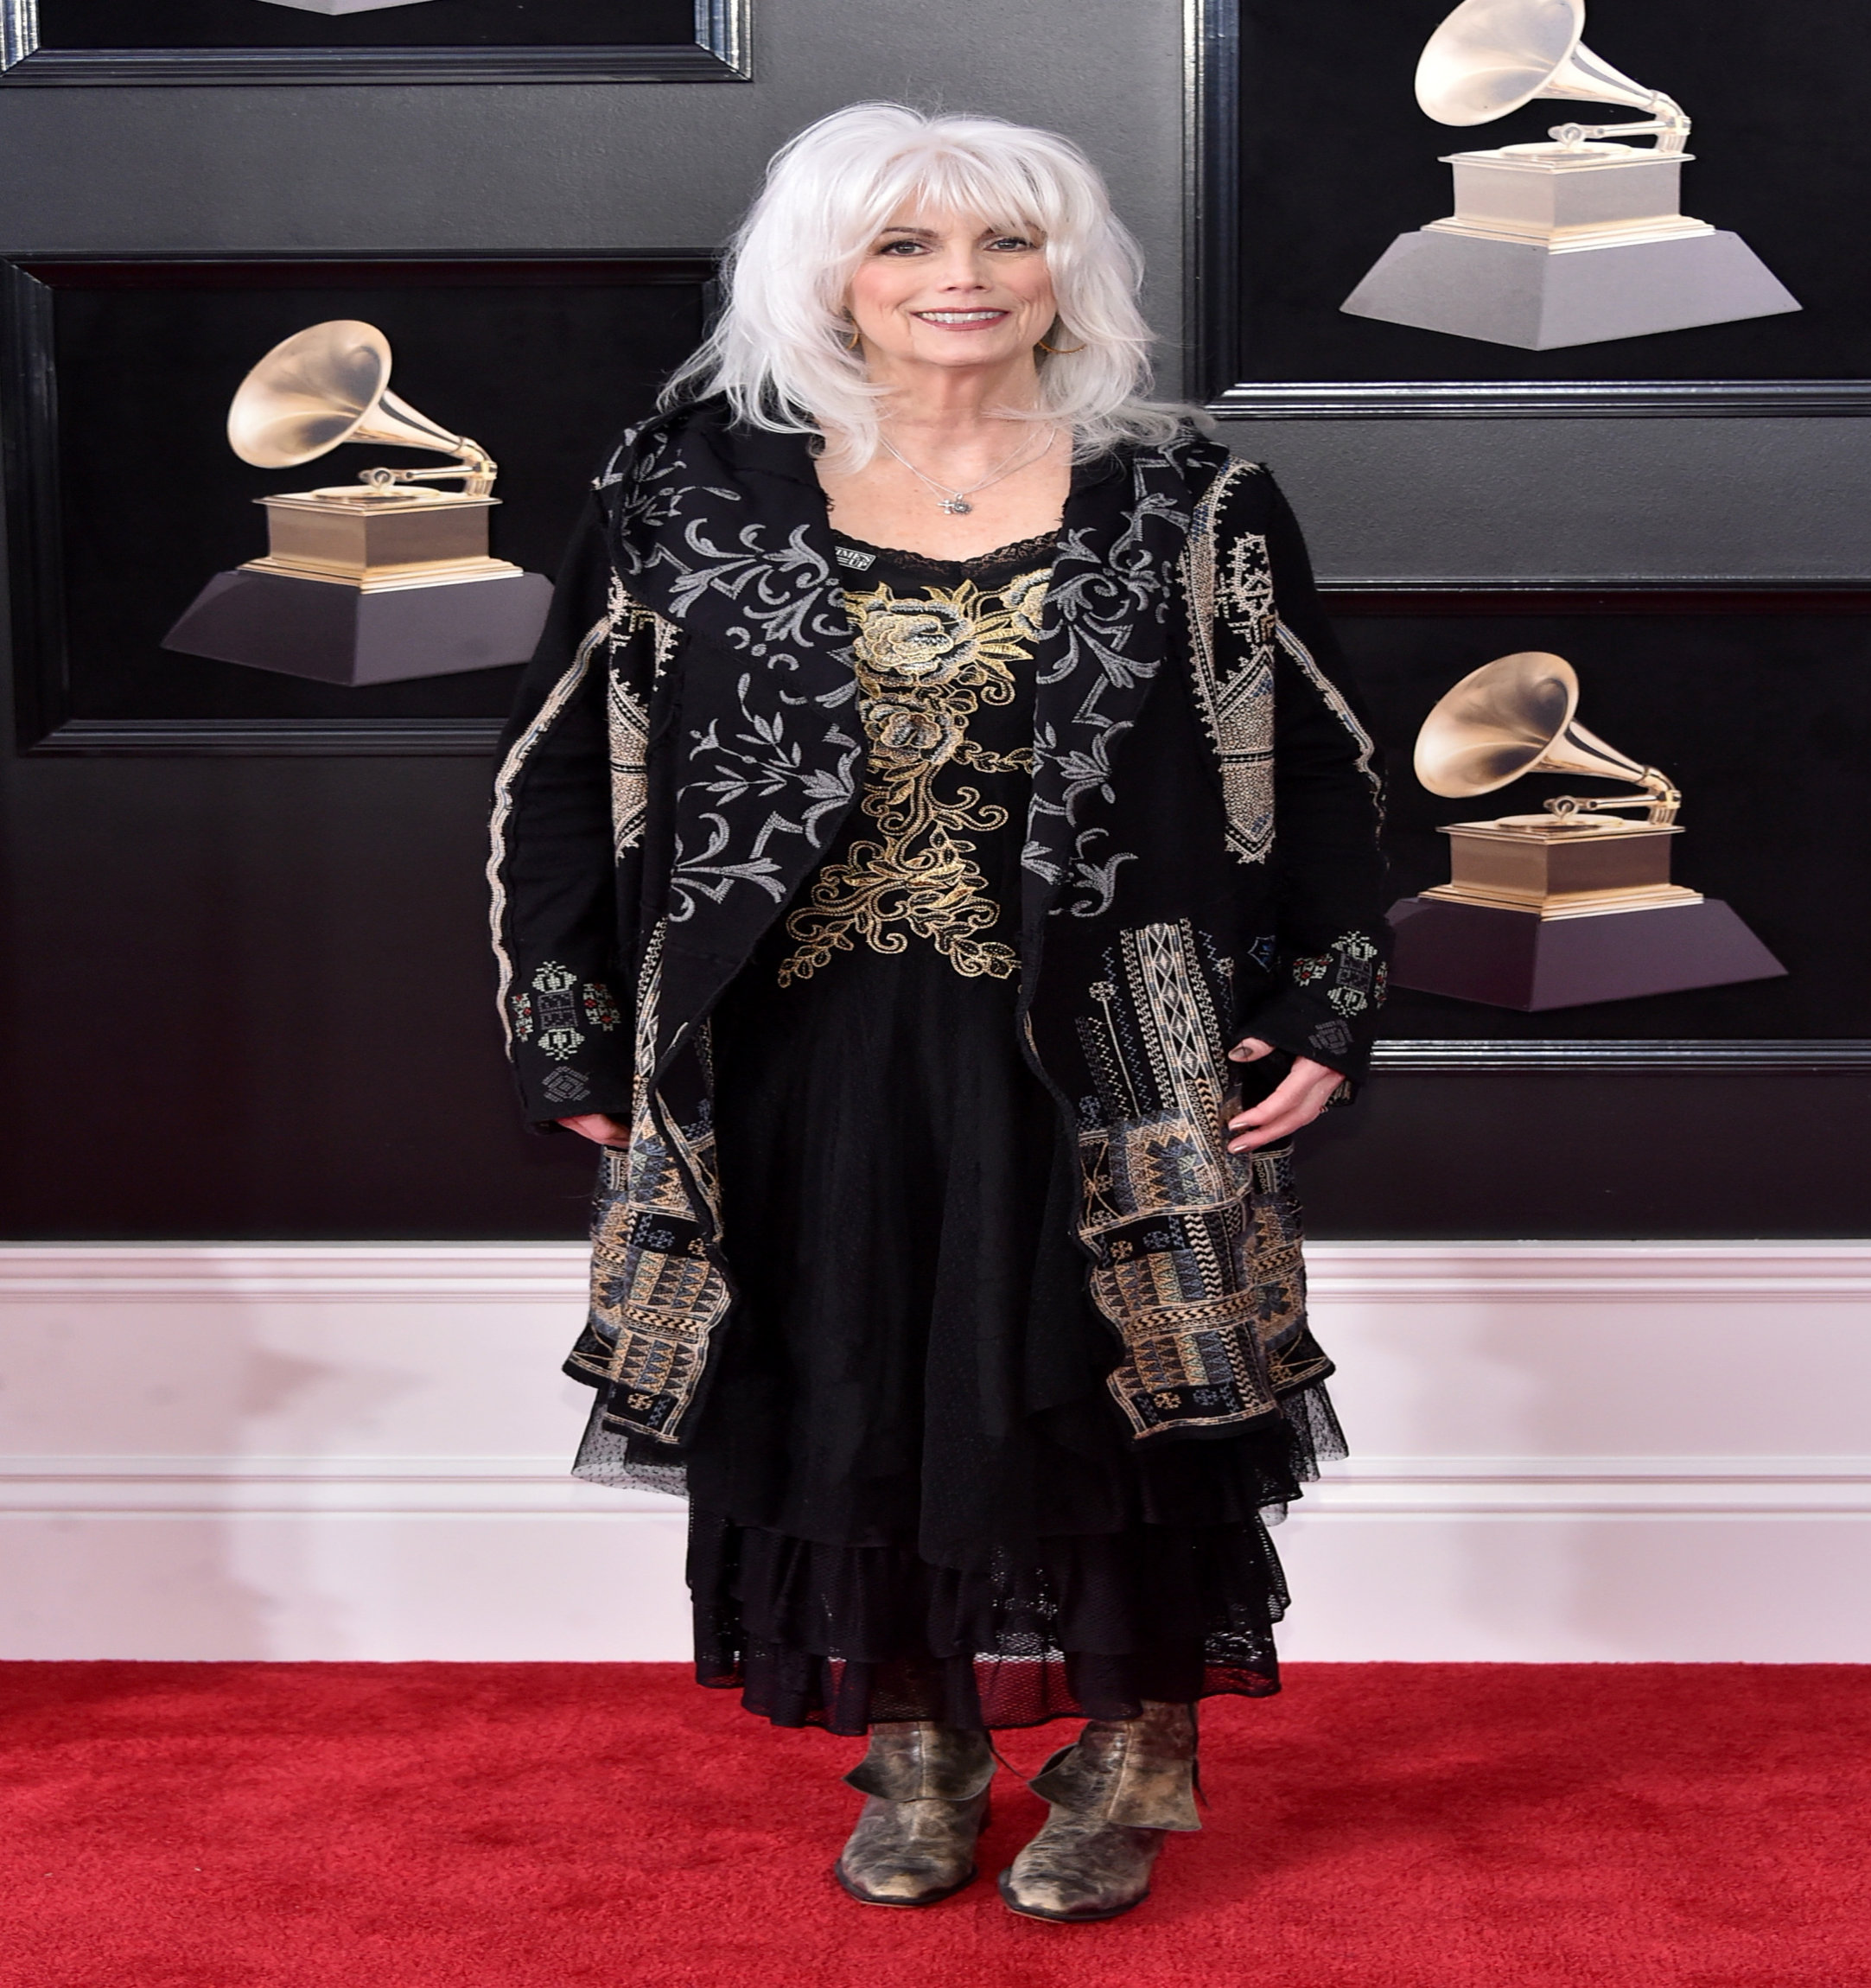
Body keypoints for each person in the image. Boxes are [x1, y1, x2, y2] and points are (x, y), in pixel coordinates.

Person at [487, 102, 1389, 1923]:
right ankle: (918, 1744)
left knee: (1104, 1386)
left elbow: (1318, 758)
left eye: (1004, 241)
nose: (959, 281)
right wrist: (564, 1014)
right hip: (786, 1032)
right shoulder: (680, 486)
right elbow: (558, 767)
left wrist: (1328, 995)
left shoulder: (1187, 494)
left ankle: (1131, 1755)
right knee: (837, 1380)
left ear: (1070, 267)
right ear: (822, 268)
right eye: (904, 243)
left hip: (1109, 1029)